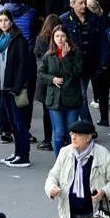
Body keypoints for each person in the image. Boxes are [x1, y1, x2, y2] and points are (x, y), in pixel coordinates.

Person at [44, 120, 110, 218]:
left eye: (78, 134)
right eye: (72, 134)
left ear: (88, 138)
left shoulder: (103, 155)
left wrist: (104, 191)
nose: (73, 137)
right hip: (69, 214)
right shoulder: (65, 152)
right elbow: (53, 176)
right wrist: (51, 187)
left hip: (94, 215)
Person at [0, 9, 35, 167]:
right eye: (0, 21)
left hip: (15, 88)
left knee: (20, 123)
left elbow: (23, 66)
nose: (3, 23)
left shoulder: (19, 40)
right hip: (4, 87)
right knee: (12, 123)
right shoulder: (1, 39)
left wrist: (17, 87)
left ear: (11, 22)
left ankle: (24, 155)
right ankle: (18, 153)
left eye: (6, 20)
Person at [39, 25, 84, 156]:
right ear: (53, 38)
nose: (60, 39)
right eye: (57, 36)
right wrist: (52, 79)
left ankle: (73, 159)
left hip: (72, 99)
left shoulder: (76, 52)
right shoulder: (49, 55)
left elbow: (77, 72)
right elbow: (41, 74)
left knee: (72, 133)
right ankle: (59, 161)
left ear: (67, 38)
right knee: (58, 133)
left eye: (62, 36)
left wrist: (65, 58)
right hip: (54, 99)